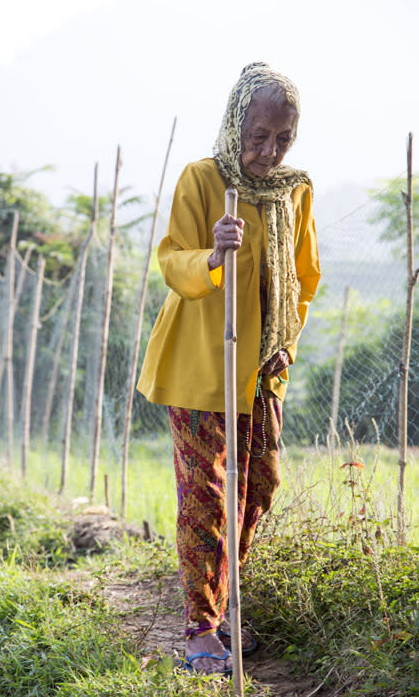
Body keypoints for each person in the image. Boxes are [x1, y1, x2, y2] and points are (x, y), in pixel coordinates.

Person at [137, 61, 321, 675]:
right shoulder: (202, 179)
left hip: (260, 371)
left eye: (282, 139)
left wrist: (284, 343)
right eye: (258, 136)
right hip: (198, 367)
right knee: (206, 496)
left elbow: (304, 277)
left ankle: (223, 597)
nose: (269, 152)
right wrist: (214, 253)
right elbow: (172, 262)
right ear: (235, 123)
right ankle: (200, 628)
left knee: (260, 484)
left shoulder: (296, 190)